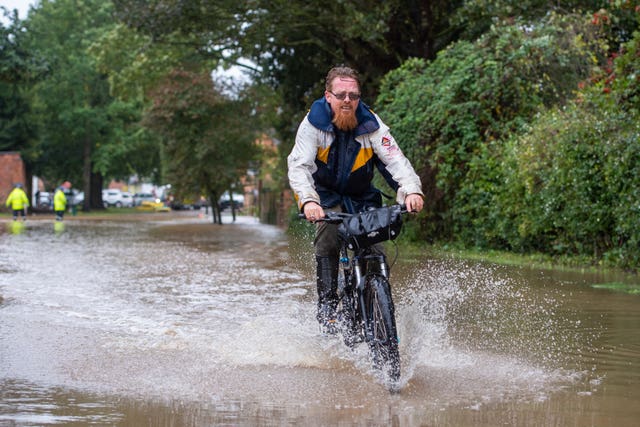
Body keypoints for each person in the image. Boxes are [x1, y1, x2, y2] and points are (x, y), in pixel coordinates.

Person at [287, 65, 424, 333]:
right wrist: (309, 201)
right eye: (341, 95)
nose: (347, 100)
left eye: (353, 95)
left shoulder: (372, 124)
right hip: (325, 196)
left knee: (375, 248)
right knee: (328, 234)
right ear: (328, 96)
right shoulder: (312, 125)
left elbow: (395, 159)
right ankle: (327, 304)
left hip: (362, 197)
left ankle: (380, 307)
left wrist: (412, 190)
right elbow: (299, 166)